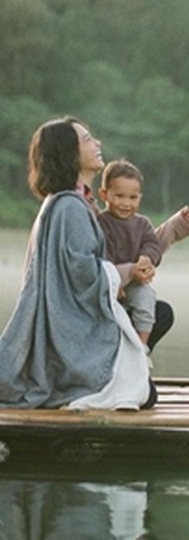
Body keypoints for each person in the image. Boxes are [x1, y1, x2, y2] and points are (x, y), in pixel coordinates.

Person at [0, 117, 151, 409]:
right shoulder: (69, 206)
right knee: (143, 395)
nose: (97, 144)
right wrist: (127, 272)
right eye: (87, 139)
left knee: (159, 312)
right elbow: (82, 275)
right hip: (73, 329)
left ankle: (134, 370)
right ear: (69, 153)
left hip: (80, 318)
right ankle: (90, 380)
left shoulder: (75, 203)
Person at [96, 159, 162, 346]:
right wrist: (118, 282)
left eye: (133, 198)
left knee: (147, 298)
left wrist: (146, 259)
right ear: (104, 194)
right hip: (108, 284)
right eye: (119, 196)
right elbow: (102, 255)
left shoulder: (142, 224)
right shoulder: (101, 222)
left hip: (134, 282)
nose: (126, 203)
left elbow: (152, 244)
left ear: (140, 197)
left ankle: (141, 348)